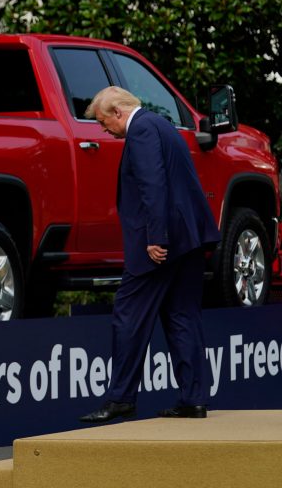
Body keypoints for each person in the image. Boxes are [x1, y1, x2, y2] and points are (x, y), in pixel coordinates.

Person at [79, 86, 221, 423]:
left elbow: (152, 184)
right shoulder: (162, 124)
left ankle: (121, 398)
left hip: (162, 244)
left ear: (118, 112)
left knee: (128, 315)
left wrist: (156, 237)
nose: (104, 130)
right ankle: (193, 400)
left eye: (103, 122)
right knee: (183, 317)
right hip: (189, 239)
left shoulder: (141, 130)